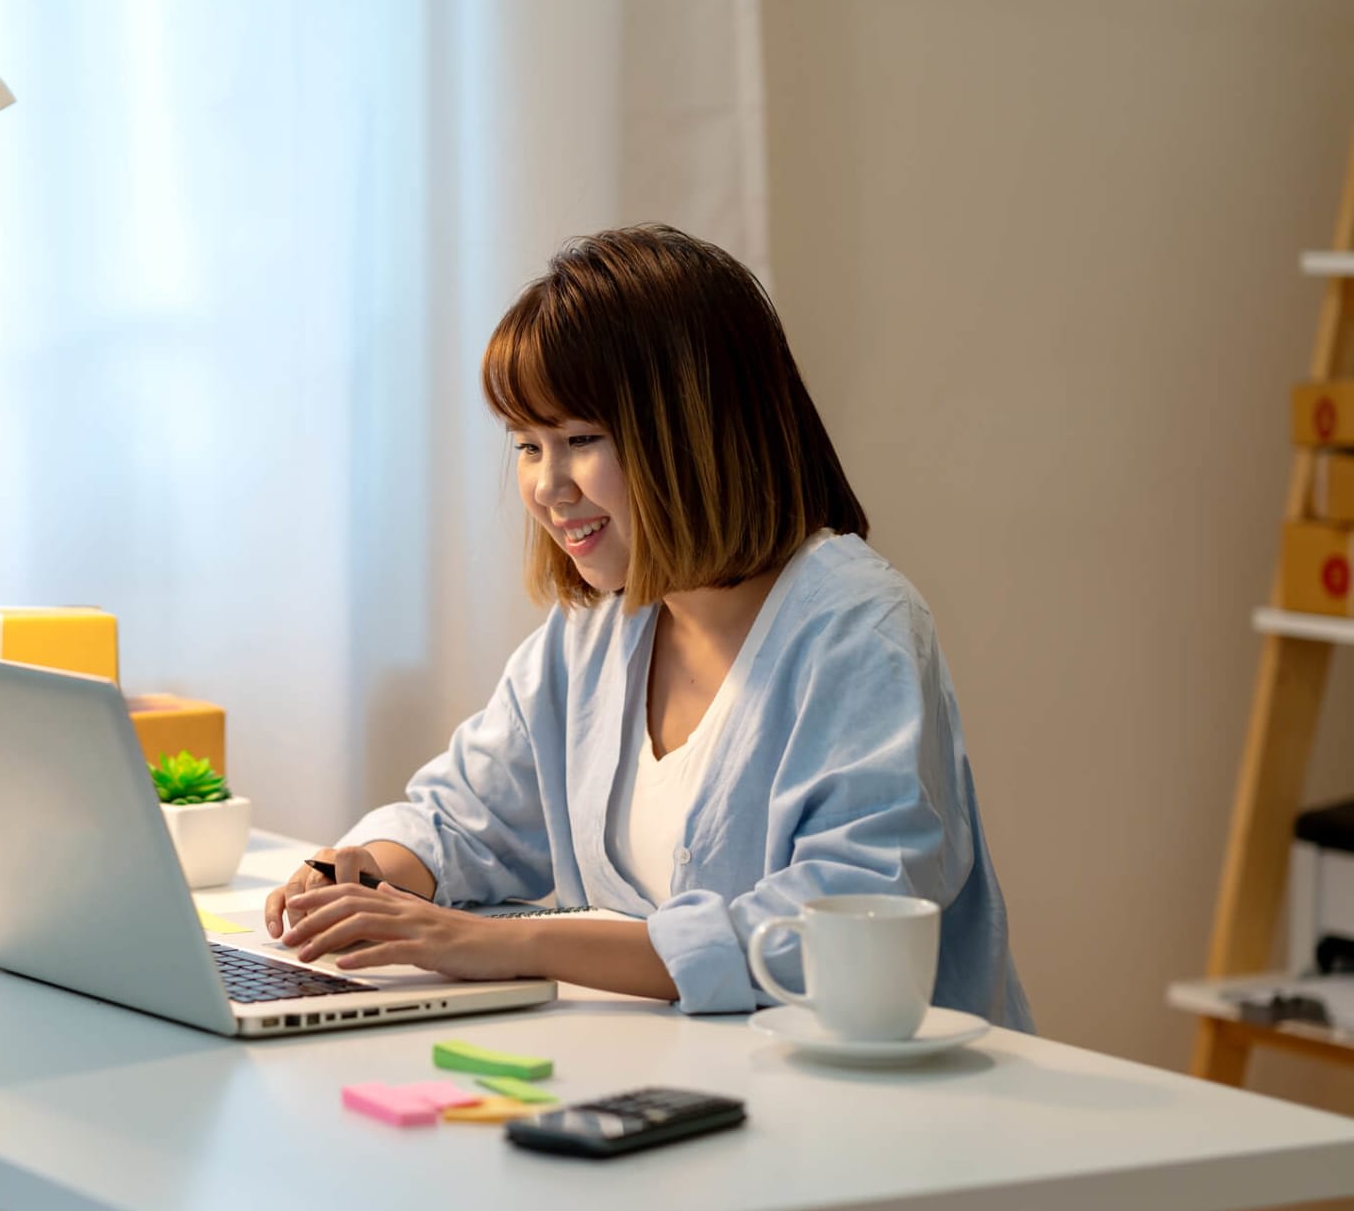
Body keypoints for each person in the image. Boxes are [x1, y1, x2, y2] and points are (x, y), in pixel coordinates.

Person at [264, 225, 1032, 1028]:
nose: (547, 487)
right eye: (527, 446)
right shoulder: (592, 636)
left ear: (694, 432)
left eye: (581, 440)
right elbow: (464, 818)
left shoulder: (857, 632)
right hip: (691, 1091)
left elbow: (832, 930)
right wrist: (359, 876)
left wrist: (511, 944)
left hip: (876, 1116)